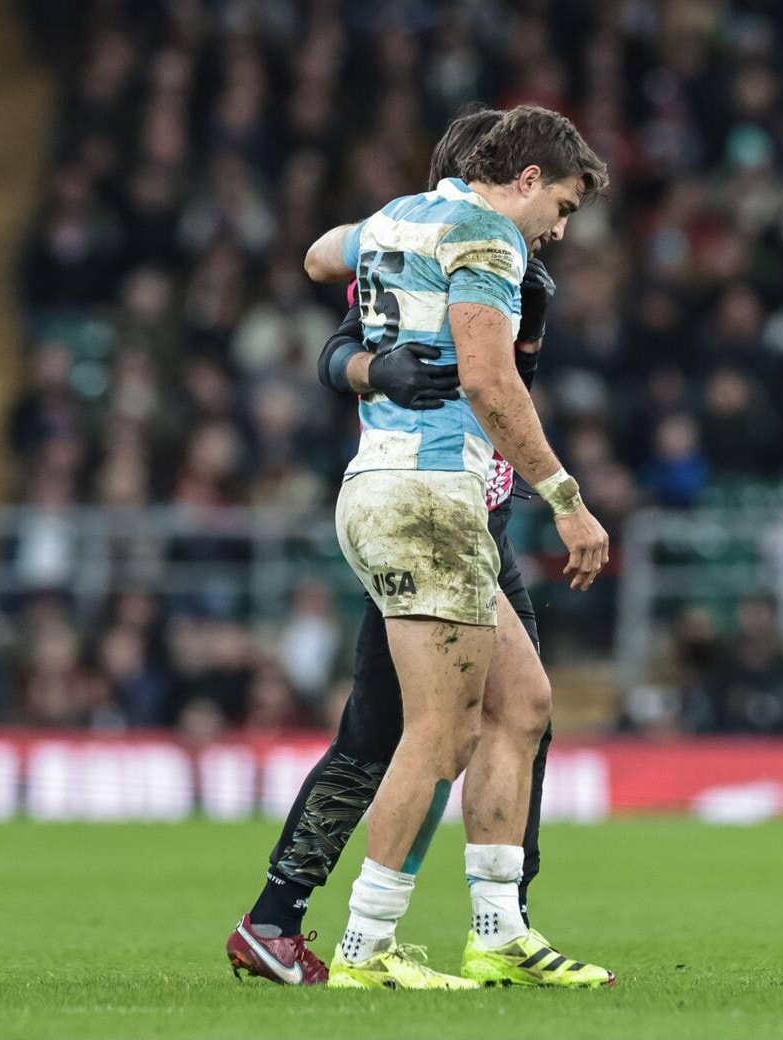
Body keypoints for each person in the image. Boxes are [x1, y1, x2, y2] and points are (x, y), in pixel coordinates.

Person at [226, 109, 610, 989]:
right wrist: (566, 497)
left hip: (445, 505)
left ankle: (499, 928)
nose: (560, 227)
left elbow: (325, 256)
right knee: (419, 730)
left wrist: (371, 349)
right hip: (430, 496)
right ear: (521, 179)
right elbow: (484, 376)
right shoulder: (484, 242)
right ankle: (355, 941)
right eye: (562, 203)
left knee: (521, 707)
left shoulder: (397, 223)